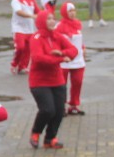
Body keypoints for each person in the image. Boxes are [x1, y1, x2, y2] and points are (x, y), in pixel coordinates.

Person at [28, 9, 78, 149]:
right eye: (48, 19)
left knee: (59, 110)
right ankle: (36, 132)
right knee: (47, 110)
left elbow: (74, 50)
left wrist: (62, 52)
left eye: (53, 18)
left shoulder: (57, 36)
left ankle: (50, 138)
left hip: (57, 80)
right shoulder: (36, 38)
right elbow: (38, 59)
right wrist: (60, 59)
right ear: (41, 21)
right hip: (39, 81)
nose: (52, 21)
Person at [56, 2, 87, 116]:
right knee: (61, 85)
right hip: (64, 60)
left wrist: (83, 48)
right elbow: (56, 42)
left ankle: (73, 105)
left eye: (74, 10)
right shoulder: (59, 27)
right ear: (64, 12)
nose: (72, 13)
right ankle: (61, 106)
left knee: (77, 82)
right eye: (70, 11)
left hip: (78, 60)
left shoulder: (77, 24)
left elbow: (79, 40)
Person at [10, 0, 38, 74]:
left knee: (28, 49)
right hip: (18, 28)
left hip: (30, 29)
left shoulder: (32, 0)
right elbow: (18, 12)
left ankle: (23, 67)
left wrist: (46, 16)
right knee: (20, 47)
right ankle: (14, 64)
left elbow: (38, 11)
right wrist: (31, 16)